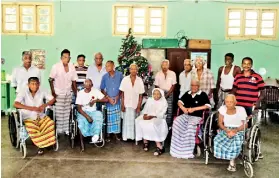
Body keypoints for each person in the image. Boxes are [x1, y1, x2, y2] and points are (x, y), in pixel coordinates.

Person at [14, 77, 56, 155]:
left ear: (39, 84)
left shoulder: (42, 90)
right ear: (28, 85)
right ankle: (41, 145)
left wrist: (45, 105)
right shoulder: (23, 91)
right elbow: (16, 104)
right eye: (32, 84)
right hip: (28, 117)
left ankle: (45, 144)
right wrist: (31, 108)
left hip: (40, 115)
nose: (35, 86)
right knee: (34, 128)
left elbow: (53, 99)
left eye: (36, 84)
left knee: (50, 123)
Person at [170, 80, 211, 159]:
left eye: (195, 85)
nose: (193, 87)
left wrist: (194, 109)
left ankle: (186, 151)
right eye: (192, 85)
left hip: (197, 116)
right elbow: (179, 102)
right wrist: (183, 108)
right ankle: (177, 148)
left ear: (198, 86)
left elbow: (207, 106)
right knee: (176, 122)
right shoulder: (187, 93)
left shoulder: (202, 94)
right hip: (186, 115)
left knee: (190, 127)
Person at [214, 94, 247, 172]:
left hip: (239, 129)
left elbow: (245, 124)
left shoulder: (241, 109)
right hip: (226, 128)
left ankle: (232, 161)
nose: (228, 103)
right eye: (227, 102)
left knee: (235, 140)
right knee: (217, 139)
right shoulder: (222, 109)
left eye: (231, 102)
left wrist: (236, 130)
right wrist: (226, 130)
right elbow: (220, 123)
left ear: (235, 102)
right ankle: (229, 156)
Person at [49, 49, 78, 134]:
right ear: (61, 57)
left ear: (70, 58)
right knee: (59, 112)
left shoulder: (72, 66)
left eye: (68, 57)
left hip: (68, 93)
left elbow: (74, 81)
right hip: (58, 92)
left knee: (67, 111)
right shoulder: (56, 66)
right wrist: (53, 92)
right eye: (64, 57)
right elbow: (50, 79)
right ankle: (59, 130)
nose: (66, 59)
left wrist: (76, 92)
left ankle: (66, 129)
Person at [135, 88, 168, 156]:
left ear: (161, 95)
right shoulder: (150, 100)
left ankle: (159, 146)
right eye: (154, 94)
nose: (156, 95)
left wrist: (152, 116)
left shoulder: (164, 101)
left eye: (158, 94)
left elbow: (162, 114)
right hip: (149, 116)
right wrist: (144, 115)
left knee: (151, 124)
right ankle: (145, 140)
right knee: (139, 121)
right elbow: (145, 110)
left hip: (158, 118)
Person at [75, 79, 107, 143]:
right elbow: (79, 108)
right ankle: (83, 140)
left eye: (89, 85)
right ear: (84, 85)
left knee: (99, 116)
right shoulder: (80, 93)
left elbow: (105, 99)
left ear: (92, 85)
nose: (88, 87)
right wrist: (87, 116)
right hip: (83, 112)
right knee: (81, 122)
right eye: (86, 85)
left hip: (93, 111)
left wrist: (96, 100)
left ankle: (96, 135)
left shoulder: (95, 91)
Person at [120, 64, 145, 141]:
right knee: (126, 122)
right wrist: (122, 105)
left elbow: (141, 95)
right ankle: (126, 137)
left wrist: (138, 106)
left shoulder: (140, 80)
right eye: (132, 69)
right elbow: (122, 94)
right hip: (127, 104)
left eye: (135, 69)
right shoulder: (125, 79)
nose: (133, 70)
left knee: (135, 121)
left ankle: (134, 137)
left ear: (137, 70)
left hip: (135, 104)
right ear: (129, 70)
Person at [100, 61, 123, 141]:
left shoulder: (120, 75)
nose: (107, 68)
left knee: (117, 118)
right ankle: (108, 134)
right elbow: (102, 89)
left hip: (117, 99)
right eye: (106, 66)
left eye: (108, 66)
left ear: (113, 66)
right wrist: (108, 97)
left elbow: (122, 88)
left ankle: (117, 134)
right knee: (109, 118)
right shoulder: (104, 77)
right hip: (108, 100)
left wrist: (117, 96)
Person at [154, 60, 177, 125]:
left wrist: (168, 94)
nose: (164, 66)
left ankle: (168, 125)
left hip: (169, 93)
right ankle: (161, 124)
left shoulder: (172, 73)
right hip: (160, 94)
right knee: (161, 109)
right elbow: (156, 85)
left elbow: (173, 85)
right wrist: (160, 94)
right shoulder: (158, 74)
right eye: (163, 65)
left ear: (168, 66)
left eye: (166, 65)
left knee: (169, 109)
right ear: (161, 66)